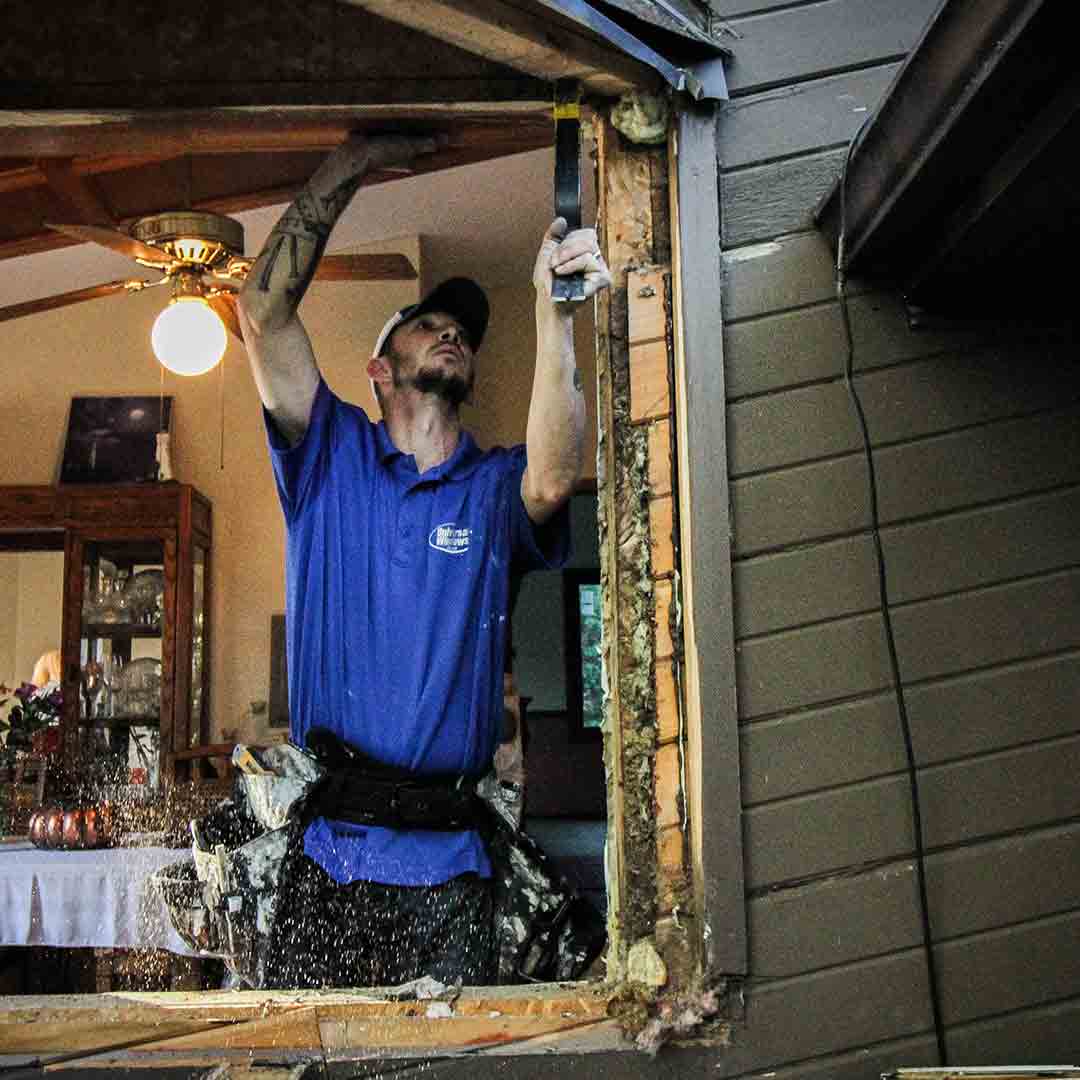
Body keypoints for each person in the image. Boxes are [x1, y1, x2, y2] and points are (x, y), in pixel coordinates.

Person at [236, 133, 611, 989]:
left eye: (463, 333)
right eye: (429, 324)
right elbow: (261, 312)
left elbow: (555, 476)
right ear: (380, 366)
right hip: (332, 852)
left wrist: (554, 315)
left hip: (453, 861)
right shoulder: (328, 454)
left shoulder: (491, 487)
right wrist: (351, 163)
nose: (452, 333)